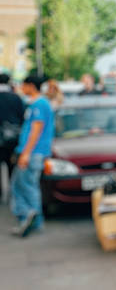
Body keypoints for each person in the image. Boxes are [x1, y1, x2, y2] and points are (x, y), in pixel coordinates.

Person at [10, 75, 54, 237]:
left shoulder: (39, 105)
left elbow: (36, 130)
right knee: (27, 185)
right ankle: (34, 219)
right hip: (34, 152)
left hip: (33, 152)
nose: (21, 87)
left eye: (24, 85)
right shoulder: (37, 104)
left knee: (22, 185)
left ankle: (28, 214)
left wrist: (26, 153)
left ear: (31, 86)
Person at [0, 73, 25, 203]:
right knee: (12, 166)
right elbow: (22, 117)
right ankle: (12, 192)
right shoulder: (16, 98)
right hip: (13, 138)